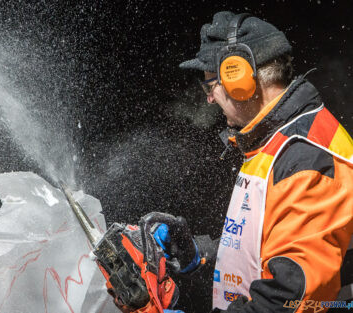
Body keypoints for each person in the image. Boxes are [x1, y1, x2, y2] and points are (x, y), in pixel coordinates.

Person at [117, 11, 353, 313]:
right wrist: (200, 253)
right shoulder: (274, 142)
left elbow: (290, 301)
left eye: (210, 85)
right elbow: (269, 250)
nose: (209, 99)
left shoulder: (306, 157)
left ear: (239, 77)